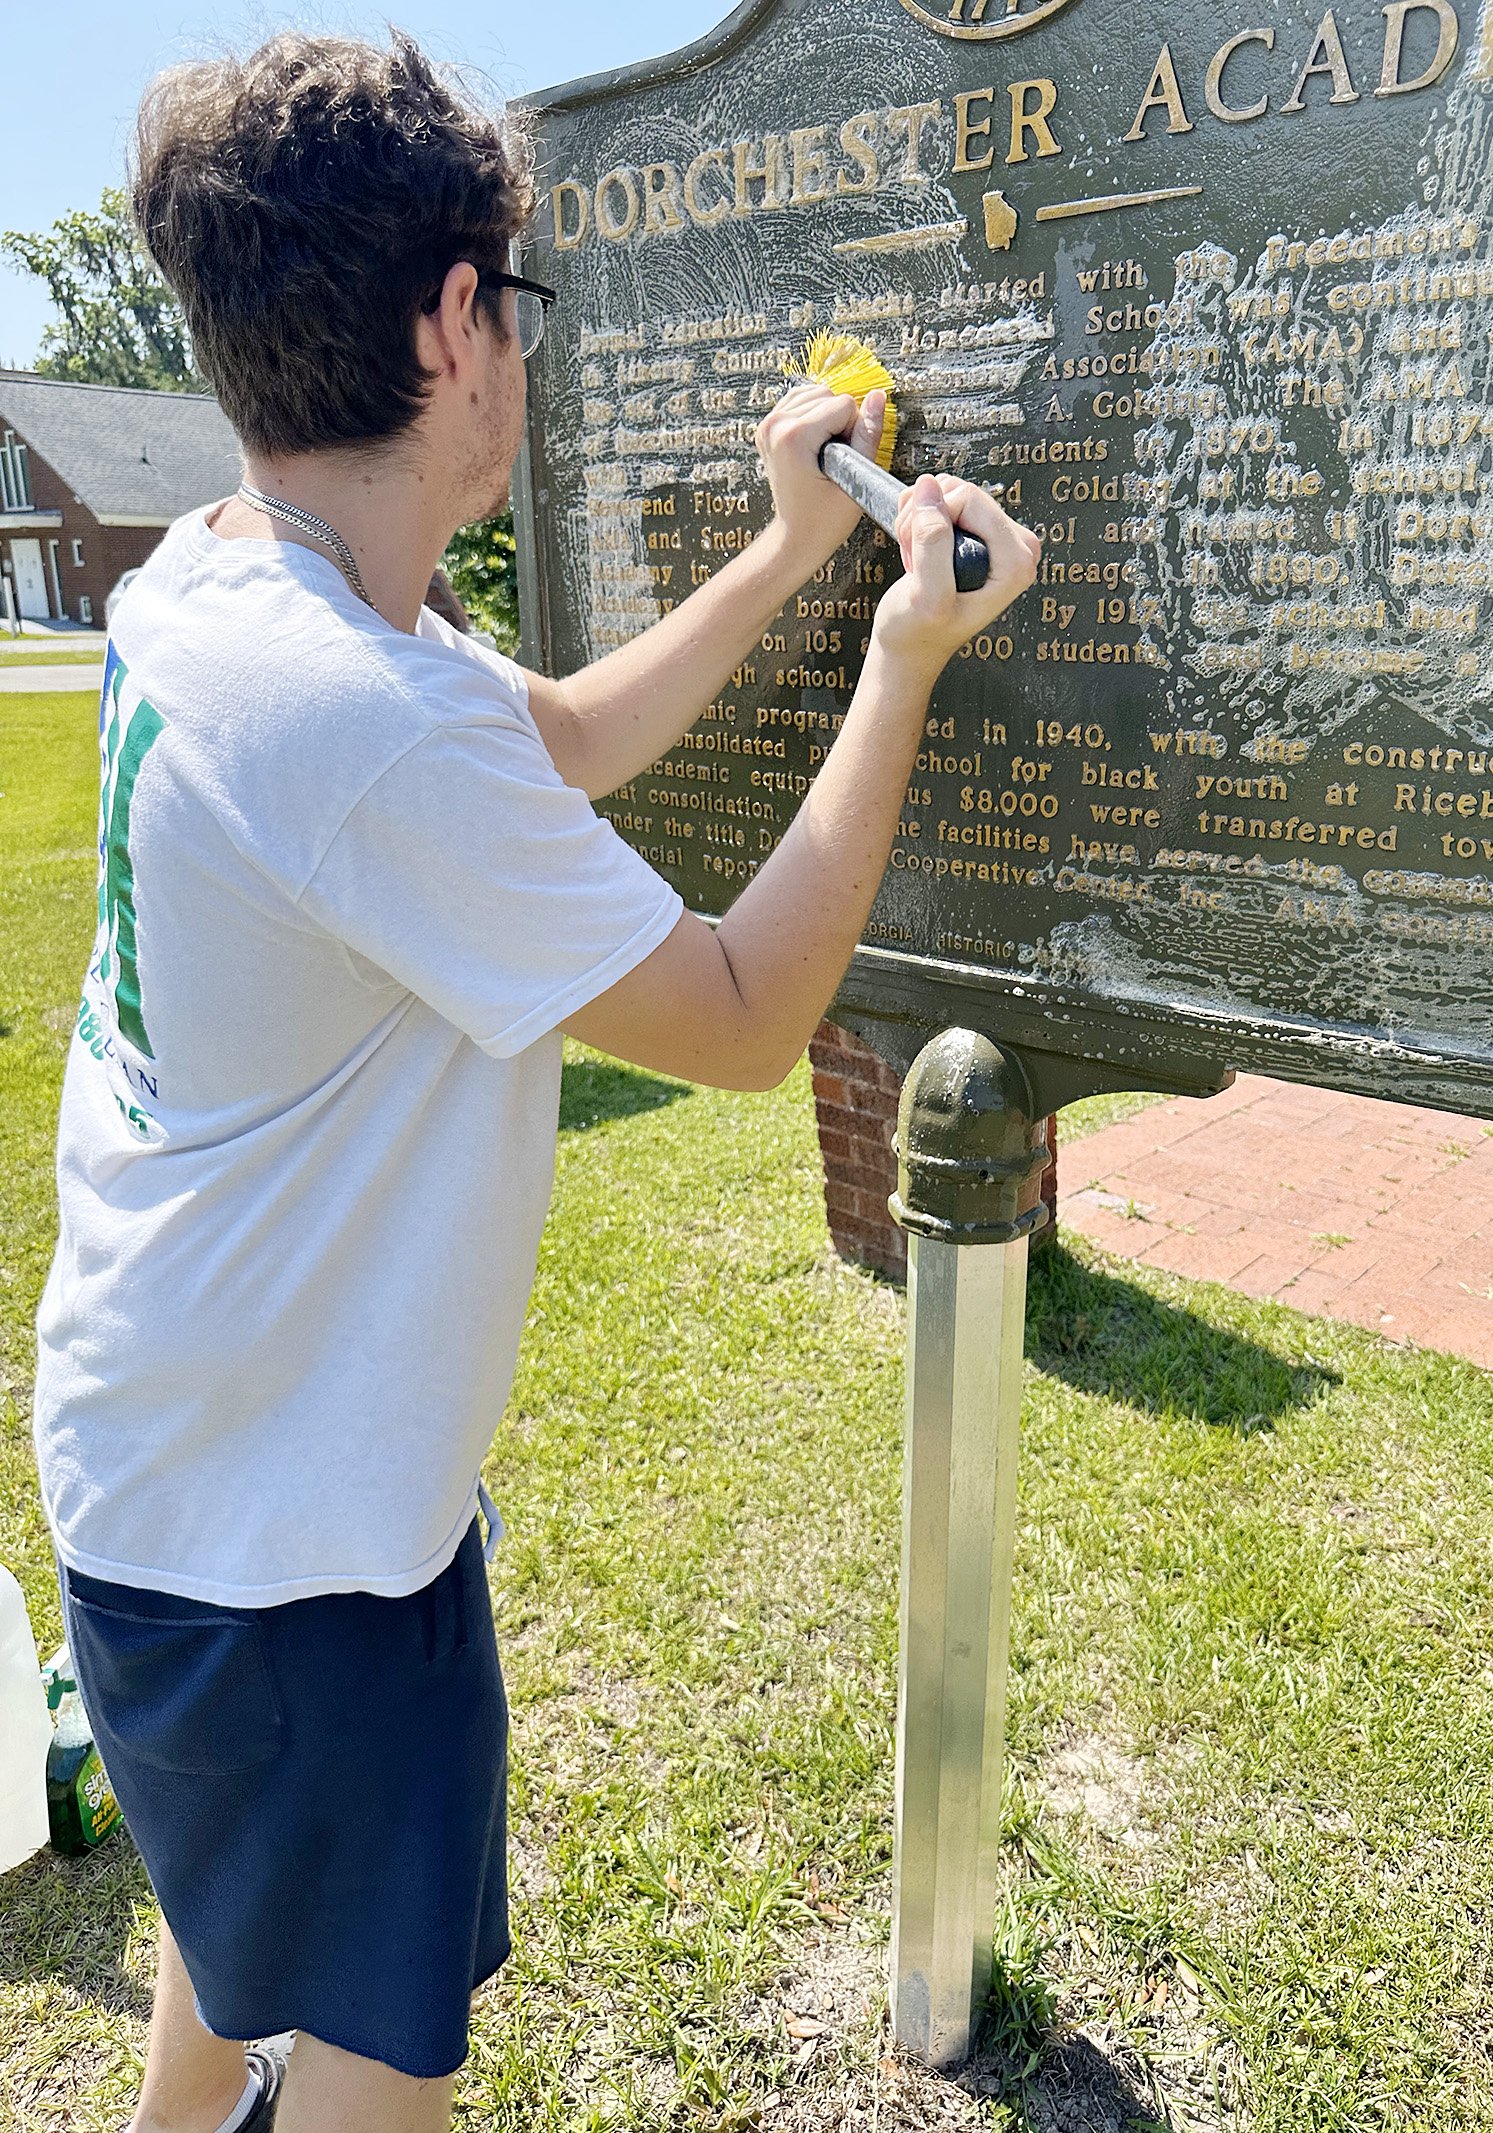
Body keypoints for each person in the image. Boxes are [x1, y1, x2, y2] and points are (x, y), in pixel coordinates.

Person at [32, 29, 1040, 2133]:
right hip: (288, 1544)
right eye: (519, 299)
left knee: (233, 1951)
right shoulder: (358, 720)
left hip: (170, 1471)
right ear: (452, 323)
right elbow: (752, 1012)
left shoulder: (227, 584)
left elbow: (549, 734)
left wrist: (783, 552)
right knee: (377, 2056)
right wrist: (894, 660)